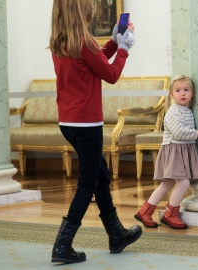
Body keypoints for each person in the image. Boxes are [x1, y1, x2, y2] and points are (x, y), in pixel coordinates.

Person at [49, 0, 140, 264]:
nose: (92, 8)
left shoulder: (61, 41)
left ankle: (116, 234)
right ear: (81, 10)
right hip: (87, 124)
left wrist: (113, 42)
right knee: (88, 183)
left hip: (68, 122)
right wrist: (123, 49)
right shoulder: (84, 42)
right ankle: (62, 245)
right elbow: (110, 74)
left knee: (100, 175)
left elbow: (94, 61)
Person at [134, 75, 198, 230]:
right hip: (174, 151)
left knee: (167, 184)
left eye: (186, 90)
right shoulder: (173, 112)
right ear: (171, 94)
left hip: (180, 150)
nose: (182, 93)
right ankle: (171, 213)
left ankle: (145, 211)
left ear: (192, 93)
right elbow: (178, 133)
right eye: (178, 90)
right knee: (183, 183)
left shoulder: (186, 110)